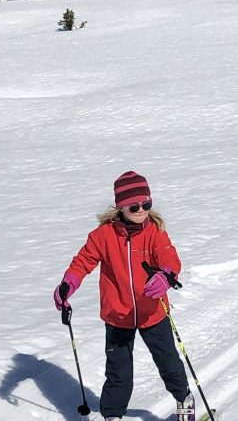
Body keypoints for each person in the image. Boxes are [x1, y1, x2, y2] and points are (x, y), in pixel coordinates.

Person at [53, 171, 195, 421]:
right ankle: (112, 415)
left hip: (153, 312)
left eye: (146, 204)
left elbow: (169, 257)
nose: (142, 210)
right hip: (118, 313)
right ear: (121, 207)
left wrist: (166, 275)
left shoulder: (154, 231)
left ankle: (184, 398)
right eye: (135, 206)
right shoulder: (103, 236)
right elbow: (84, 260)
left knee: (168, 362)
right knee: (118, 371)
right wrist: (69, 282)